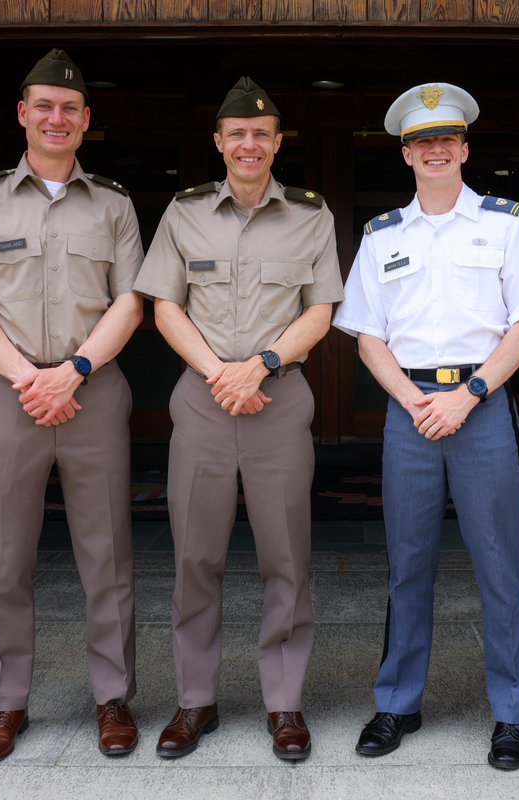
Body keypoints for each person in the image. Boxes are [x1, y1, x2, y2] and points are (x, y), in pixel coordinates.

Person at [333, 82, 519, 771]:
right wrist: (412, 400)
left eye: (445, 139)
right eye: (420, 142)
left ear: (464, 148)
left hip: (481, 405)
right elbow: (367, 336)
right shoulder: (381, 235)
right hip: (410, 414)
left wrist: (466, 395)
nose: (434, 150)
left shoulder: (505, 221)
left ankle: (511, 715)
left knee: (499, 564)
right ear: (405, 155)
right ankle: (398, 702)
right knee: (407, 566)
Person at [0, 49, 144, 763]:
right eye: (43, 105)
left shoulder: (113, 204)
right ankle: (6, 703)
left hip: (94, 392)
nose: (57, 118)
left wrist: (74, 371)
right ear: (23, 114)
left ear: (87, 121)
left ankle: (112, 698)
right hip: (9, 393)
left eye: (70, 108)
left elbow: (131, 303)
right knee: (6, 557)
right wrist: (30, 378)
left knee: (106, 553)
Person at [133, 77, 342, 762]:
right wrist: (222, 373)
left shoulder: (311, 215)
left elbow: (321, 309)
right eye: (236, 134)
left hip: (279, 399)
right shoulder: (183, 211)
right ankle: (195, 700)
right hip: (202, 396)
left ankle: (284, 704)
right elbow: (164, 305)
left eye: (261, 134)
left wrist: (263, 364)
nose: (248, 144)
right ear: (218, 143)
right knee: (197, 556)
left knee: (286, 556)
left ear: (277, 143)